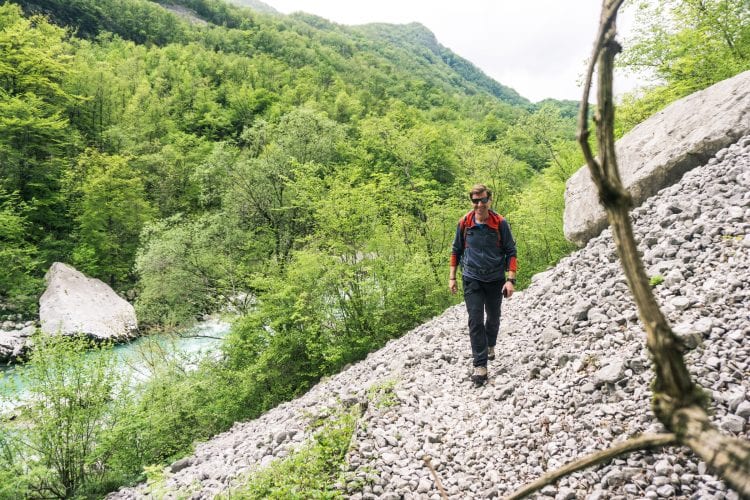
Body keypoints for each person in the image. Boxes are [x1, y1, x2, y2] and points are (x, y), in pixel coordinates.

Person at [449, 184, 517, 386]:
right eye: (475, 200)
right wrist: (452, 277)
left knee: (493, 317)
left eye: (483, 200)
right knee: (475, 319)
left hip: (495, 278)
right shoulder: (464, 223)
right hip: (472, 278)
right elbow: (456, 251)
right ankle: (480, 366)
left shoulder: (500, 223)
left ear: (490, 200)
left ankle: (490, 345)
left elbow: (511, 252)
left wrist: (510, 280)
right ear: (471, 201)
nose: (479, 204)